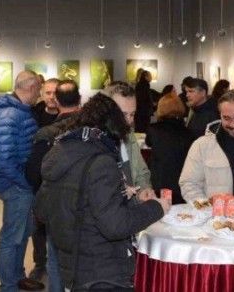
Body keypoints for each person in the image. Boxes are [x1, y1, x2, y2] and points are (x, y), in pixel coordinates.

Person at [35, 92, 170, 290]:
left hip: (72, 266)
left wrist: (112, 193)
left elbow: (42, 209)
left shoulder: (61, 151)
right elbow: (115, 225)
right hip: (103, 271)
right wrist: (156, 208)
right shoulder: (101, 161)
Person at [0, 70, 44, 292]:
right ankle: (8, 284)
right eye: (38, 90)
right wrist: (25, 182)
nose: (39, 95)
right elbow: (3, 159)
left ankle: (17, 277)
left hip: (19, 184)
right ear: (30, 88)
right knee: (12, 237)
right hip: (16, 185)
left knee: (22, 232)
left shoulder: (17, 111)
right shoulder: (10, 114)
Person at [25, 80, 81, 291]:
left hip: (56, 206)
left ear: (57, 101)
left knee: (56, 258)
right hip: (86, 205)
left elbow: (34, 173)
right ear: (80, 99)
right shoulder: (95, 130)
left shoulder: (46, 133)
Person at [103, 81, 153, 195]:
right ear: (106, 110)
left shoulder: (129, 134)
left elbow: (142, 172)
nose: (129, 121)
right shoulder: (94, 141)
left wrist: (145, 190)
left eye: (132, 114)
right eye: (123, 114)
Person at [145, 92, 194, 204]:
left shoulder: (154, 130)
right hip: (181, 180)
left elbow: (149, 143)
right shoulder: (188, 132)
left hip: (160, 179)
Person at [134, 69, 159, 133]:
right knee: (143, 130)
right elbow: (144, 100)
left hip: (140, 113)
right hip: (143, 113)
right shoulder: (144, 86)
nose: (151, 77)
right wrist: (151, 105)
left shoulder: (141, 85)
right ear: (145, 76)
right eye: (150, 76)